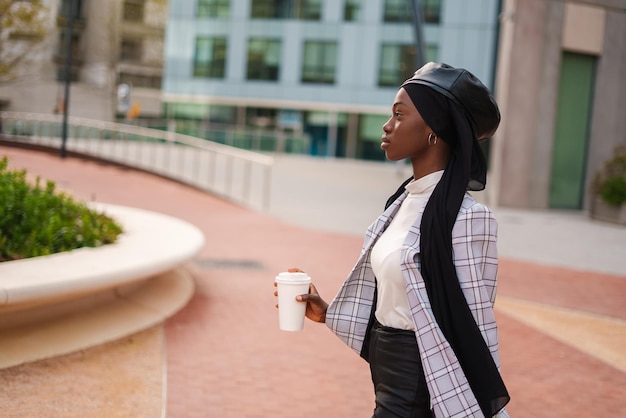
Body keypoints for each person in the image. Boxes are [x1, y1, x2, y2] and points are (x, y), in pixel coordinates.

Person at [276, 62, 510, 417]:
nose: (387, 126)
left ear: (435, 130)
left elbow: (473, 325)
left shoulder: (468, 218)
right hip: (387, 375)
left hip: (420, 385)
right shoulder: (402, 203)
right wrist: (328, 313)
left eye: (399, 115)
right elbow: (395, 307)